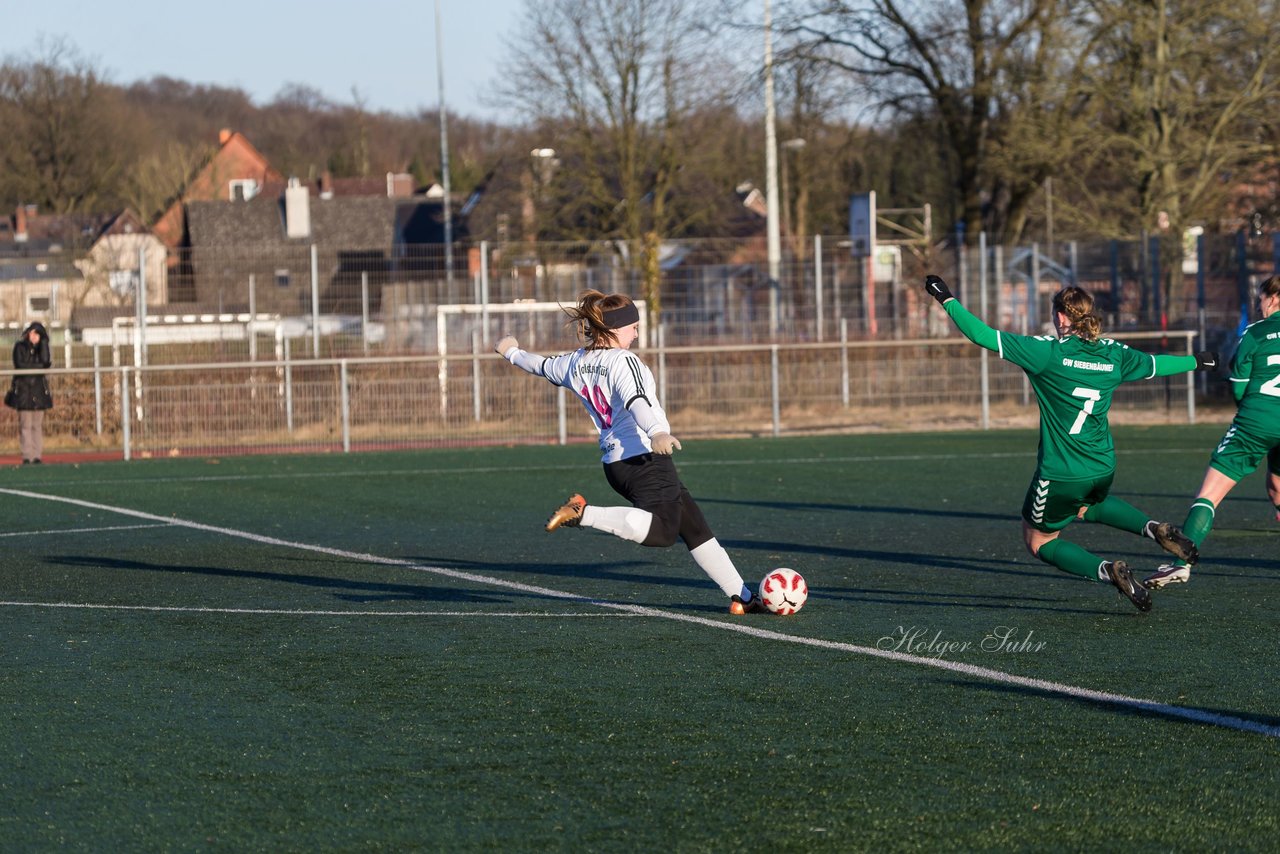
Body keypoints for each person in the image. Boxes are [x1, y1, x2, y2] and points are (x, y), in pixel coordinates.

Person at [923, 274, 1217, 611]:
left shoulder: (1046, 352)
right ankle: (1153, 529)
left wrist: (945, 297)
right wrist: (1197, 361)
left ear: (1061, 316)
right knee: (1086, 504)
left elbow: (982, 335)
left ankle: (1107, 571)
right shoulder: (1114, 353)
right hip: (1103, 465)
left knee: (1038, 541)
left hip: (1061, 471)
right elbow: (1156, 364)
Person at [494, 289, 766, 614]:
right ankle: (584, 513)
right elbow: (637, 400)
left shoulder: (577, 361)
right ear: (614, 329)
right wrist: (657, 432)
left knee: (693, 525)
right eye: (633, 327)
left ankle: (743, 596)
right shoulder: (624, 361)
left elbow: (540, 365)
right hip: (645, 458)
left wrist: (511, 351)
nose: (636, 333)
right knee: (665, 532)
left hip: (615, 465)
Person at [1145, 275, 1280, 589]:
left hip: (1256, 421)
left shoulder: (1256, 332)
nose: (1259, 305)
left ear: (1272, 298)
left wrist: (1251, 415)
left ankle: (1180, 565)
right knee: (1276, 485)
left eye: (1261, 298)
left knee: (1208, 495)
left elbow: (1239, 386)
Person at [10, 321, 53, 464]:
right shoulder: (20, 347)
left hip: (38, 392)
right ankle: (27, 455)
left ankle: (37, 456)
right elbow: (20, 365)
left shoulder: (42, 347)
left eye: (37, 334)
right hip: (23, 391)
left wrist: (44, 344)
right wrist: (37, 366)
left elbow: (46, 362)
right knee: (25, 425)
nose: (33, 336)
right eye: (32, 333)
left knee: (37, 425)